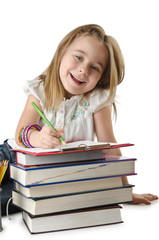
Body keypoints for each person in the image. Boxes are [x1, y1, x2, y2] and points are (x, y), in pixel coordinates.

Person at [0, 24, 158, 215]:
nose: (83, 70)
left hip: (44, 175)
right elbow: (20, 132)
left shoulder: (96, 100)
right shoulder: (40, 90)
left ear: (100, 78)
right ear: (62, 52)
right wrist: (37, 138)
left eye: (94, 67)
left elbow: (111, 147)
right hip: (12, 158)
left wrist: (124, 191)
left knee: (10, 201)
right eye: (78, 57)